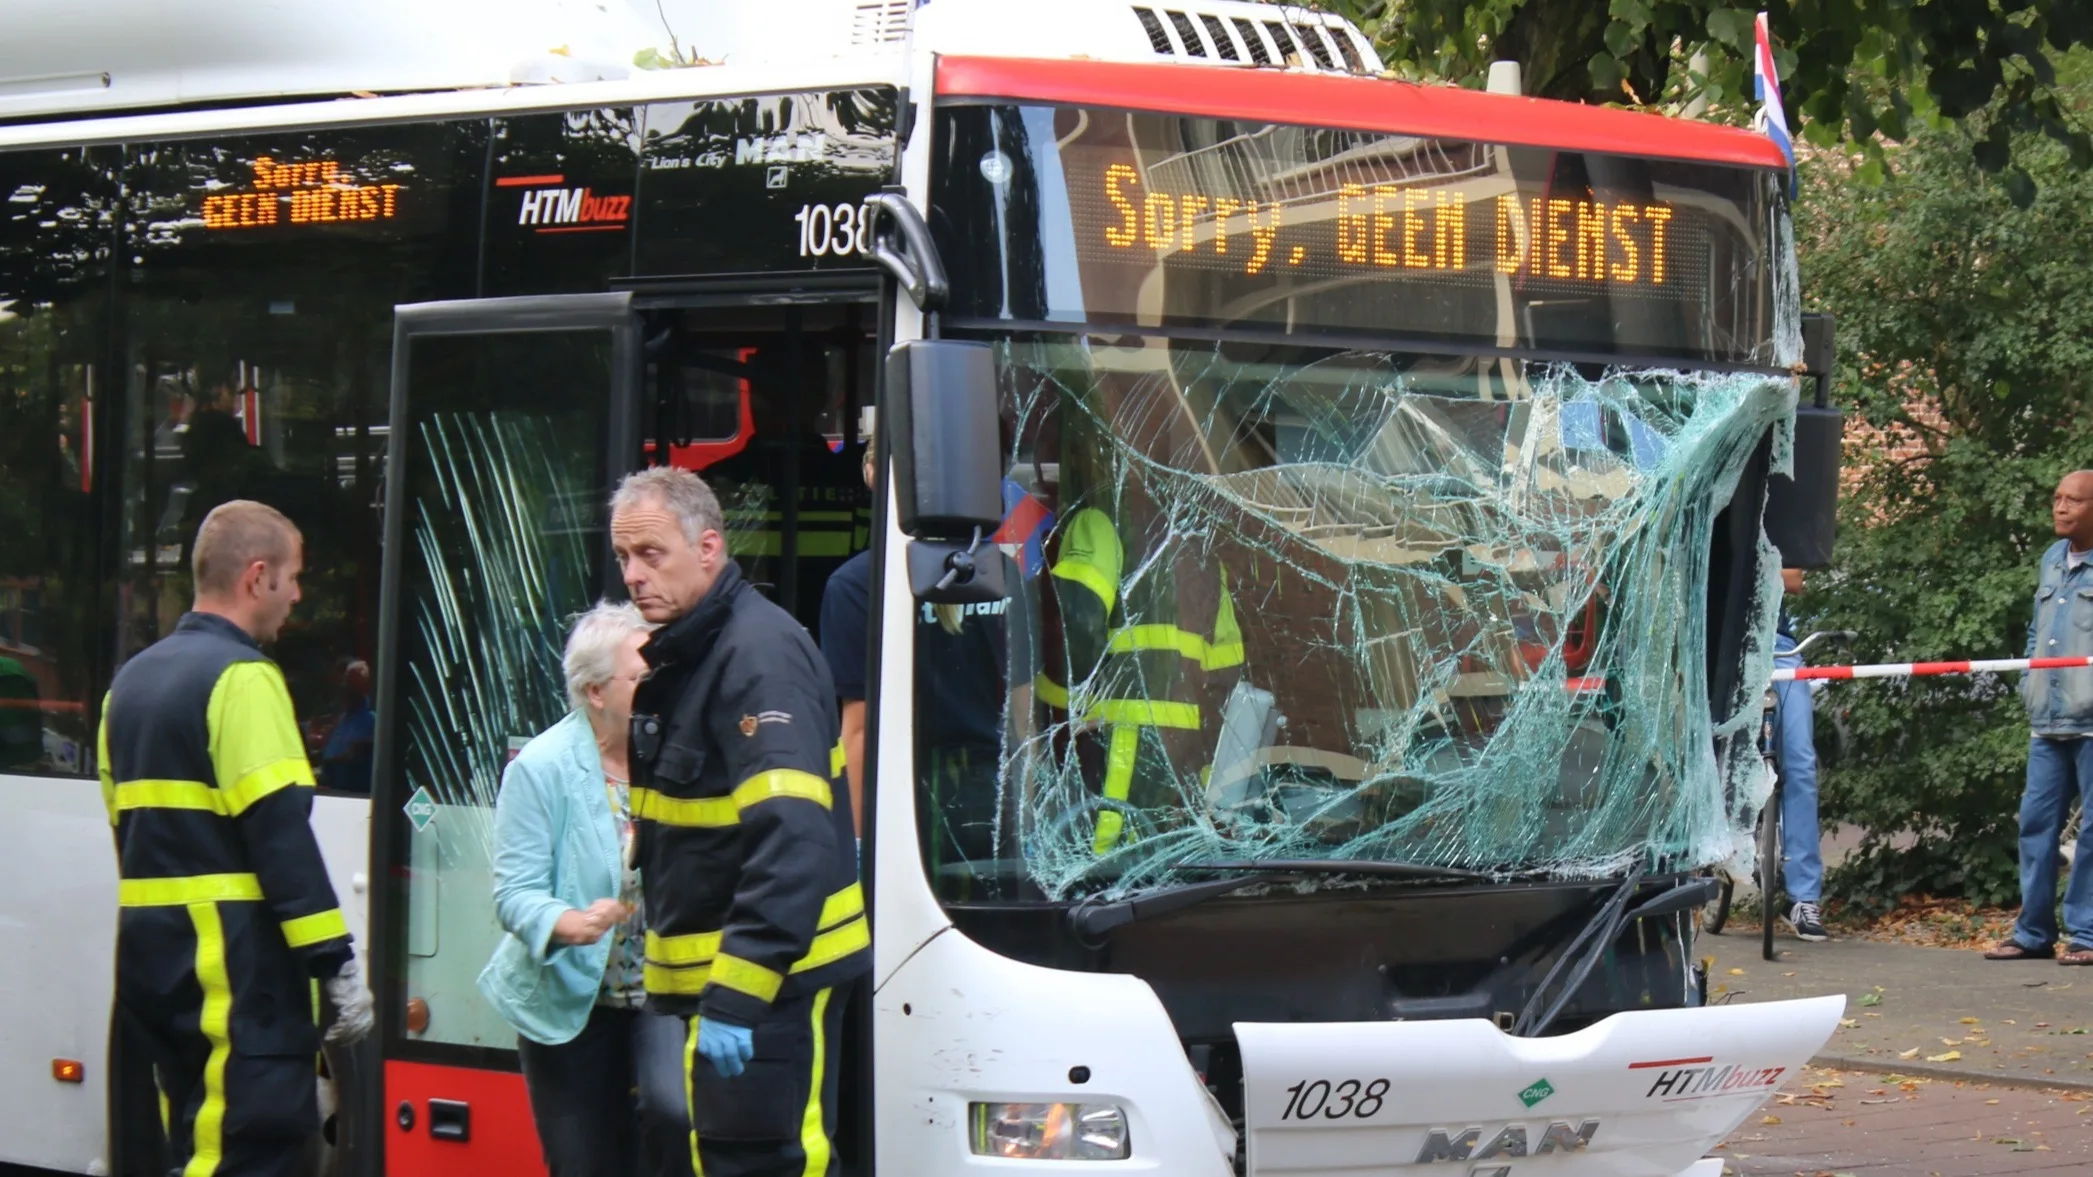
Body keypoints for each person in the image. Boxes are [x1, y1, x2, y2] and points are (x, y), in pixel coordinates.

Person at [97, 499, 374, 1177]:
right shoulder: (243, 679)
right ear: (257, 577)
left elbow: (124, 830)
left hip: (151, 954)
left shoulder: (127, 685)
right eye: (293, 577)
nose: (296, 594)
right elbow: (281, 840)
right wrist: (335, 965)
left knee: (194, 1142)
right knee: (249, 1148)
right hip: (234, 967)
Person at [612, 465, 868, 1177]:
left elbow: (793, 841)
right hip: (741, 989)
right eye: (624, 557)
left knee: (766, 1164)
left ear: (709, 548)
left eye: (651, 553)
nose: (633, 575)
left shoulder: (757, 659)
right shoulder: (704, 649)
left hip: (769, 989)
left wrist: (738, 993)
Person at [478, 602, 691, 1177]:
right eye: (642, 677)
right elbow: (514, 892)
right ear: (596, 692)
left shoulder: (674, 753)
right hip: (567, 997)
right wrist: (565, 922)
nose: (658, 688)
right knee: (582, 1163)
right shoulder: (540, 768)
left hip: (660, 985)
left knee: (674, 1114)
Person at [818, 438, 1034, 880]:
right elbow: (1025, 719)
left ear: (873, 477)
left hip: (907, 801)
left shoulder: (857, 586)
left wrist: (857, 852)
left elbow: (859, 733)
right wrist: (1029, 821)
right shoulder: (1004, 574)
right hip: (994, 795)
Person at [1989, 470, 2093, 965]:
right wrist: (2031, 682)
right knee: (2035, 824)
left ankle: (2086, 933)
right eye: (2056, 498)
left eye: (2073, 500)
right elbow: (2038, 631)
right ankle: (2032, 932)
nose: (2061, 507)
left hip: (2091, 720)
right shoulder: (2052, 558)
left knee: (2092, 831)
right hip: (2048, 719)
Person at [1773, 567, 1828, 942]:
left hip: (1779, 648)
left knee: (1801, 764)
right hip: (1719, 643)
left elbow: (1793, 579)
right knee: (1717, 756)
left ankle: (1804, 898)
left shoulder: (1774, 531)